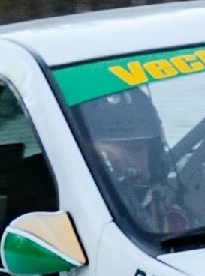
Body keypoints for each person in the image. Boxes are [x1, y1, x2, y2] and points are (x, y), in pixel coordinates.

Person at [82, 87, 194, 233]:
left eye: (134, 149)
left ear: (154, 155)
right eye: (108, 153)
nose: (124, 162)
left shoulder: (173, 220)